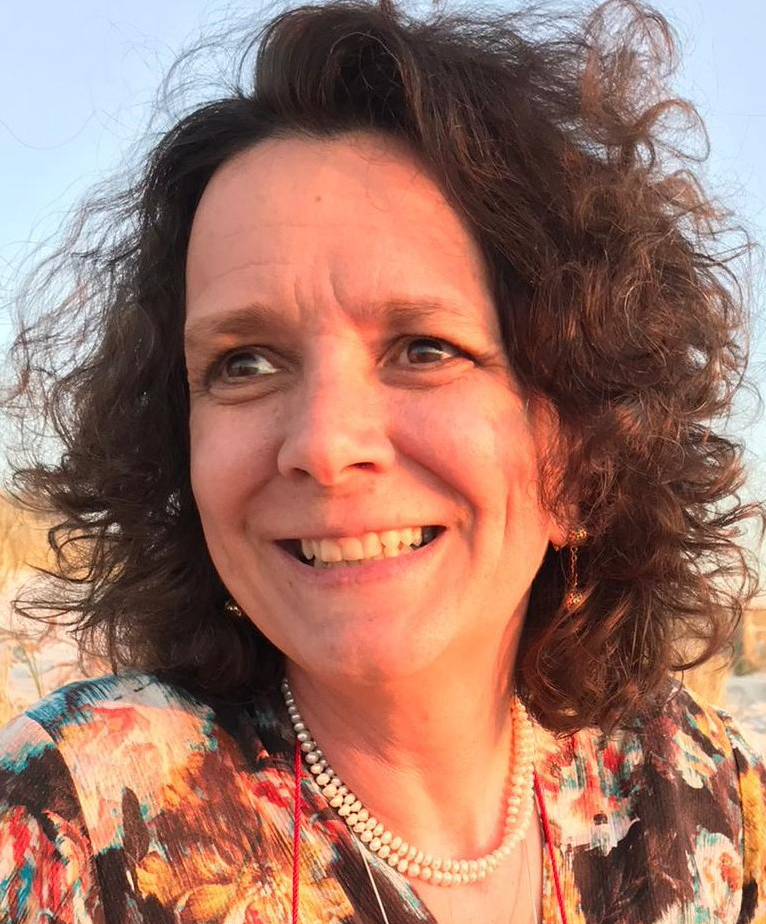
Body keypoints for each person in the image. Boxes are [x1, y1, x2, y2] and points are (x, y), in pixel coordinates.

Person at [1, 0, 765, 921]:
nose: (325, 445)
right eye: (244, 364)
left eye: (425, 349)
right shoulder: (68, 829)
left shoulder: (701, 794)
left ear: (581, 451)